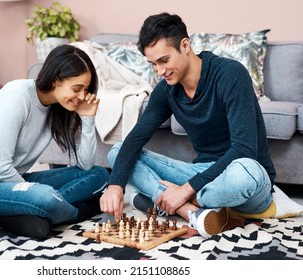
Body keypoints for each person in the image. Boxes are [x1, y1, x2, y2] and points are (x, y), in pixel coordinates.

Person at [99, 13, 276, 238]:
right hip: (201, 173)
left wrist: (185, 190)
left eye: (164, 60)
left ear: (185, 45)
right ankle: (189, 211)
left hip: (243, 175)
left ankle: (171, 199)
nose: (160, 71)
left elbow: (244, 149)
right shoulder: (166, 90)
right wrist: (115, 185)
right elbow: (135, 139)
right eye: (153, 64)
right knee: (118, 152)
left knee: (246, 173)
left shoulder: (230, 74)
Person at [0, 44, 109, 239]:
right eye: (77, 88)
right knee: (43, 196)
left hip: (13, 180)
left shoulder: (57, 107)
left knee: (100, 174)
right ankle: (75, 212)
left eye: (85, 89)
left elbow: (85, 165)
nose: (81, 97)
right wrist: (31, 193)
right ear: (55, 80)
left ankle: (35, 211)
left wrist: (87, 119)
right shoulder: (17, 97)